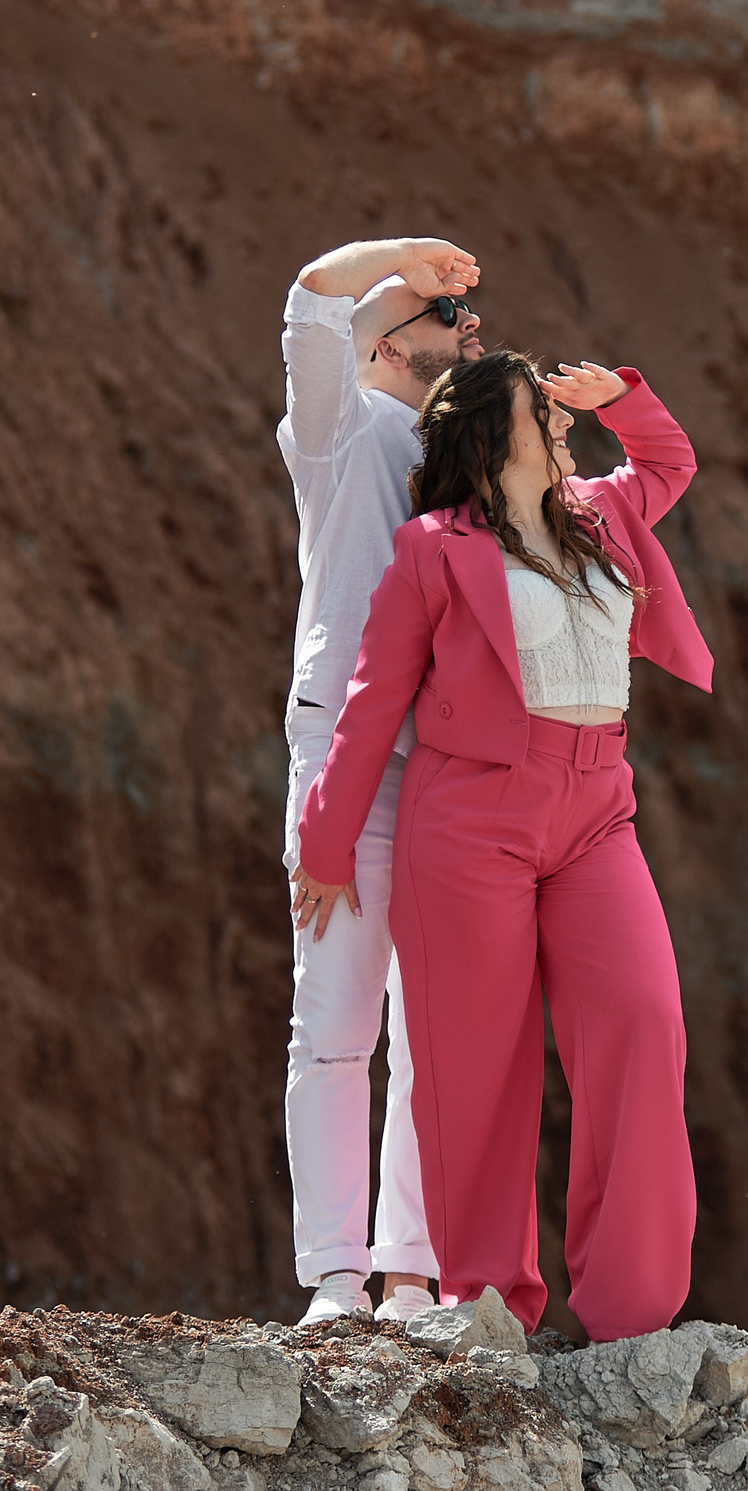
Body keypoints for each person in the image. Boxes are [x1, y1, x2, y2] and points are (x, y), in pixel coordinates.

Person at [288, 351, 715, 1342]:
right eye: (543, 409)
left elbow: (669, 461)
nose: (561, 424)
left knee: (644, 1019)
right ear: (494, 437)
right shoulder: (433, 549)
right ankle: (485, 1298)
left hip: (596, 812)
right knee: (473, 1064)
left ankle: (631, 1308)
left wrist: (622, 400)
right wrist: (325, 842)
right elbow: (371, 702)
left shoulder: (603, 513)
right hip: (469, 822)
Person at [276, 236, 487, 1326]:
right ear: (393, 344)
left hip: (451, 766)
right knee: (336, 1026)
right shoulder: (337, 431)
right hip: (341, 762)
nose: (470, 328)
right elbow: (311, 303)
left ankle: (410, 1274)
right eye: (449, 320)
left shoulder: (470, 456)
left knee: (434, 1031)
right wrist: (395, 256)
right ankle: (333, 1281)